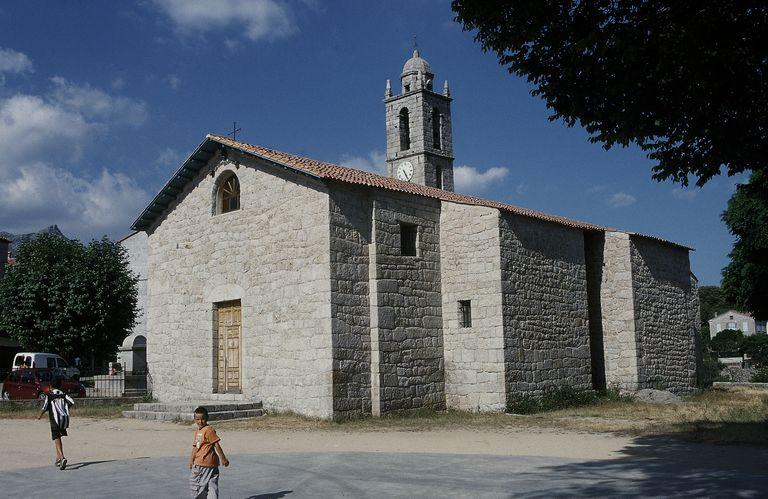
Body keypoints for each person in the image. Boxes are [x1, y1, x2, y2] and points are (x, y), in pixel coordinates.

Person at [189, 406, 229, 498]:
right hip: (211, 464)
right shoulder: (198, 431)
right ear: (194, 419)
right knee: (212, 485)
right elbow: (195, 446)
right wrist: (191, 460)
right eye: (197, 419)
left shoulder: (208, 430)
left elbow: (216, 444)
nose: (200, 421)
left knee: (196, 485)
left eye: (203, 419)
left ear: (207, 418)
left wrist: (223, 458)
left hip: (202, 464)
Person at [37, 378, 75, 470]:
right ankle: (58, 459)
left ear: (50, 386)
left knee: (56, 437)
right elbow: (72, 402)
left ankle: (62, 458)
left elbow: (45, 407)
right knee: (57, 438)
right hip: (64, 418)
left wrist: (39, 416)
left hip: (55, 419)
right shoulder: (63, 394)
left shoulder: (49, 395)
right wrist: (64, 409)